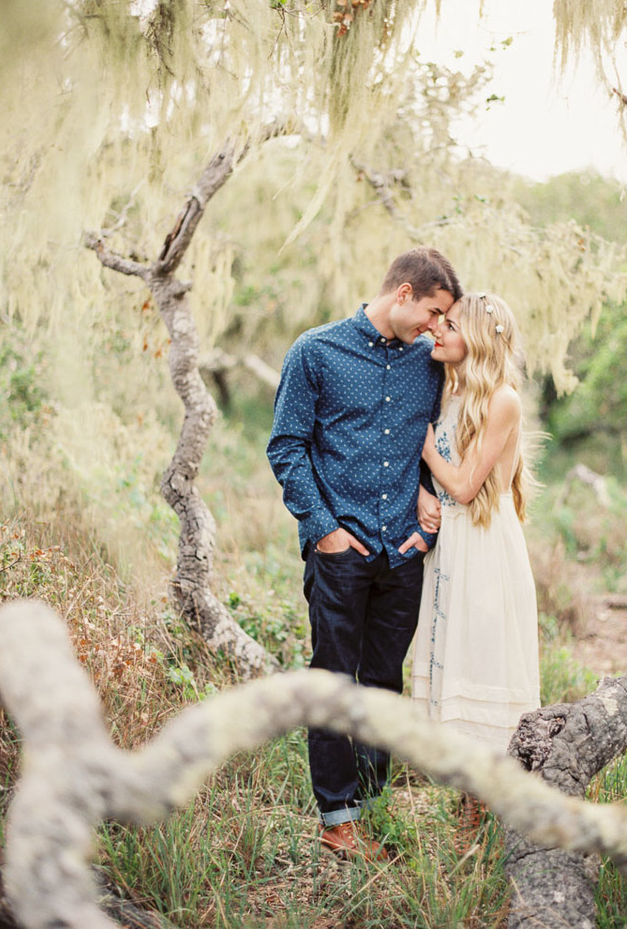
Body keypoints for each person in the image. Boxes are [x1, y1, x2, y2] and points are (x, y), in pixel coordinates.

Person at [267, 247, 462, 861]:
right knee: (333, 680)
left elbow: (435, 445)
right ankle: (337, 819)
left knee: (382, 681)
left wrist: (426, 525)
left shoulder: (428, 367)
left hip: (402, 551)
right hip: (339, 548)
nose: (436, 326)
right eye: (432, 312)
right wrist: (324, 529)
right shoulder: (316, 351)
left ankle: (370, 804)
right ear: (403, 293)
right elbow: (286, 448)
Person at [411, 291, 541, 844]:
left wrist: (421, 446)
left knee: (483, 666)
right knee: (452, 661)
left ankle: (489, 823)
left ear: (480, 340)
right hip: (450, 547)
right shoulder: (451, 387)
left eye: (451, 325)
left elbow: (464, 485)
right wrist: (421, 493)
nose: (437, 330)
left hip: (484, 547)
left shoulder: (502, 400)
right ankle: (470, 822)